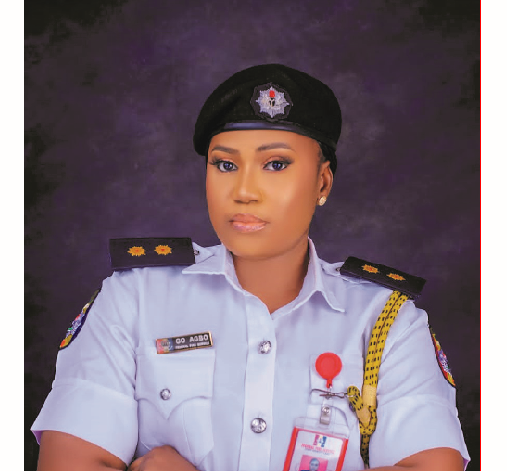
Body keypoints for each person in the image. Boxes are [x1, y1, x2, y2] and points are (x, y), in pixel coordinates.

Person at [32, 64, 469, 471]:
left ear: (322, 182)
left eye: (275, 164)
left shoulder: (387, 322)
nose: (243, 191)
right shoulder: (134, 299)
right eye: (225, 164)